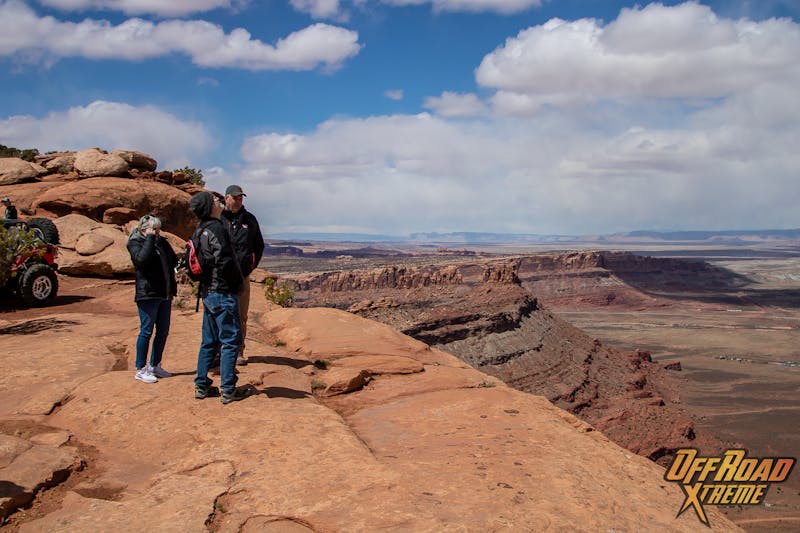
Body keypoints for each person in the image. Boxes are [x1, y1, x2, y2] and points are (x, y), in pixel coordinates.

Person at [189, 191, 250, 404]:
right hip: (223, 292)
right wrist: (237, 284)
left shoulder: (200, 230)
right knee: (231, 341)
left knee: (209, 341)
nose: (219, 201)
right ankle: (228, 389)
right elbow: (225, 261)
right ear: (208, 206)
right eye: (215, 200)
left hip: (208, 293)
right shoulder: (217, 228)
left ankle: (201, 385)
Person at [127, 214, 177, 384]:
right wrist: (149, 238)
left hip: (164, 293)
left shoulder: (161, 241)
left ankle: (155, 365)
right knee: (146, 331)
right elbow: (141, 260)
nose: (157, 232)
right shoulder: (135, 242)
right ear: (143, 229)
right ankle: (140, 369)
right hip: (147, 294)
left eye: (158, 229)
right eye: (153, 229)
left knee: (163, 331)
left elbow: (173, 259)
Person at [221, 184, 265, 366]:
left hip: (242, 276)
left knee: (240, 315)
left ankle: (239, 351)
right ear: (226, 198)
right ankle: (219, 352)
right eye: (235, 197)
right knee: (221, 314)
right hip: (220, 277)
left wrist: (249, 267)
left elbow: (259, 246)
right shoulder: (218, 219)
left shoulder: (249, 219)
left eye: (241, 198)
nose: (238, 201)